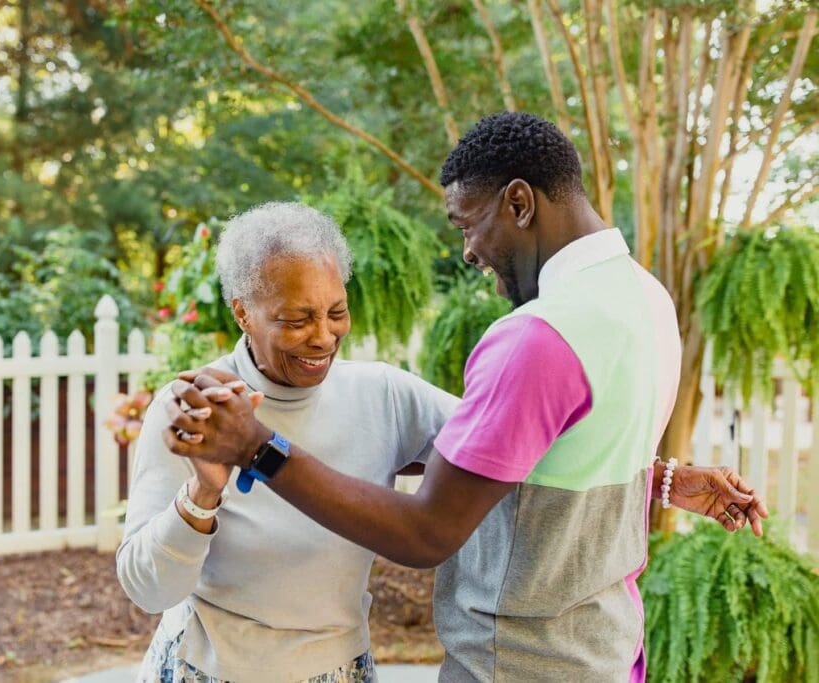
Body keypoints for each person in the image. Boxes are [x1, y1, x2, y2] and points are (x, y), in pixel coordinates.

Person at [163, 112, 769, 682]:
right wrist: (663, 478)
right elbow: (555, 450)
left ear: (520, 203)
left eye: (467, 223)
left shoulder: (536, 338)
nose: (469, 251)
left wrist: (258, 447)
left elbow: (427, 532)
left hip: (517, 664)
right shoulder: (645, 300)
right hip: (603, 652)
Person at [116, 202, 460, 683]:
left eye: (336, 312)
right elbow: (146, 590)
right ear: (242, 313)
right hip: (206, 668)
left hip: (338, 668)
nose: (323, 337)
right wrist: (202, 496)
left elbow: (490, 447)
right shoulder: (199, 409)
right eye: (296, 320)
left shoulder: (384, 395)